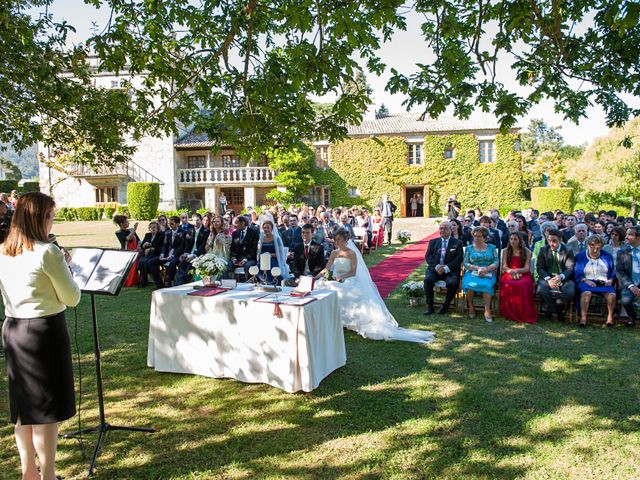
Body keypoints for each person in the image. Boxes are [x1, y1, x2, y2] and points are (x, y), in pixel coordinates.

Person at [0, 192, 81, 480]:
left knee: (23, 408)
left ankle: (28, 473)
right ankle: (47, 475)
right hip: (43, 332)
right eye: (49, 216)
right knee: (47, 409)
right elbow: (71, 298)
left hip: (14, 330)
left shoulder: (4, 250)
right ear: (38, 218)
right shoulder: (48, 252)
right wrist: (68, 268)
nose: (52, 222)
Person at [315, 229, 435, 343]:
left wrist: (342, 277)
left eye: (339, 239)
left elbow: (353, 272)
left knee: (343, 290)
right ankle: (332, 320)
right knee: (321, 286)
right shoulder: (334, 253)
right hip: (335, 279)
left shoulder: (351, 253)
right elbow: (327, 268)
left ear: (345, 240)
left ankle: (350, 321)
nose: (337, 242)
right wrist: (317, 276)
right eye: (335, 240)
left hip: (348, 279)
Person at [574, 235, 616, 327]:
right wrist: (586, 280)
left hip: (603, 282)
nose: (595, 249)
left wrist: (611, 280)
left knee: (612, 295)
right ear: (588, 245)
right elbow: (577, 272)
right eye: (592, 245)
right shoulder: (580, 256)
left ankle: (610, 318)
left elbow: (613, 271)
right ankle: (583, 318)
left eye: (598, 247)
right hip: (586, 281)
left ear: (601, 246)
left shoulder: (607, 256)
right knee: (586, 293)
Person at [423, 221, 464, 315]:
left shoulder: (457, 243)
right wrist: (437, 266)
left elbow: (459, 259)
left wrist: (446, 268)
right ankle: (430, 306)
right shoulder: (433, 242)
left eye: (445, 228)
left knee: (453, 283)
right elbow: (428, 256)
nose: (442, 230)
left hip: (450, 271)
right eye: (441, 228)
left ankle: (445, 305)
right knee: (427, 280)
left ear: (451, 230)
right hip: (435, 270)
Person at [536, 229, 575, 322]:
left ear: (560, 240)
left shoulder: (568, 251)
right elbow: (540, 268)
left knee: (569, 292)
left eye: (554, 241)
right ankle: (558, 311)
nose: (551, 243)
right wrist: (549, 279)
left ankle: (552, 309)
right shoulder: (543, 250)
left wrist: (561, 277)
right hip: (547, 277)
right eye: (549, 240)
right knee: (541, 290)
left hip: (563, 277)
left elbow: (570, 268)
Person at [462, 226, 500, 322]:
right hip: (472, 272)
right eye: (475, 236)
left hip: (488, 272)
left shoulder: (492, 248)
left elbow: (496, 262)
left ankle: (487, 310)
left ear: (485, 237)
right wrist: (477, 268)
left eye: (479, 236)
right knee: (470, 284)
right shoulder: (469, 248)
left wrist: (486, 269)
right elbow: (465, 263)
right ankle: (471, 306)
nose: (476, 238)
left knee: (487, 285)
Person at [499, 232, 537, 323]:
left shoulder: (527, 251)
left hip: (523, 273)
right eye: (511, 239)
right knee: (508, 283)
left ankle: (522, 312)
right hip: (509, 272)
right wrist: (511, 271)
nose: (513, 241)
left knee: (522, 285)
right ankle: (508, 312)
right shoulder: (505, 251)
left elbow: (527, 268)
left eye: (515, 239)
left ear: (520, 240)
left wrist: (517, 271)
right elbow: (504, 266)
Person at [175, 213, 210, 285]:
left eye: (197, 220)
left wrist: (194, 255)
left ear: (201, 220)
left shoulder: (206, 231)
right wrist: (185, 254)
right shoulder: (189, 231)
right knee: (181, 265)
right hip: (189, 254)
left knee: (190, 267)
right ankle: (178, 285)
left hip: (199, 255)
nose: (196, 222)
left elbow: (203, 247)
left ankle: (184, 284)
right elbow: (187, 246)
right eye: (194, 220)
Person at [616, 226, 640, 327]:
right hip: (629, 284)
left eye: (630, 234)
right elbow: (619, 271)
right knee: (625, 300)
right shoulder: (622, 252)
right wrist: (631, 285)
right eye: (626, 234)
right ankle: (632, 317)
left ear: (638, 238)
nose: (626, 237)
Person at [113, 214, 140, 287]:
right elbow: (127, 239)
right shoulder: (118, 233)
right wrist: (134, 230)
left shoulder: (131, 230)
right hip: (126, 252)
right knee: (133, 263)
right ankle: (130, 282)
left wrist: (138, 248)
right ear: (121, 224)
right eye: (127, 222)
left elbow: (138, 240)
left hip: (136, 250)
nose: (128, 223)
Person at [138, 220, 164, 288]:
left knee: (147, 262)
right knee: (141, 261)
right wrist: (144, 246)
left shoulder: (161, 235)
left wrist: (151, 248)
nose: (153, 228)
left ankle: (157, 282)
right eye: (151, 227)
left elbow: (161, 248)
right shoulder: (147, 235)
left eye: (154, 227)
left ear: (157, 228)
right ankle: (144, 280)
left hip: (156, 254)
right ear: (149, 228)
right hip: (147, 254)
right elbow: (142, 246)